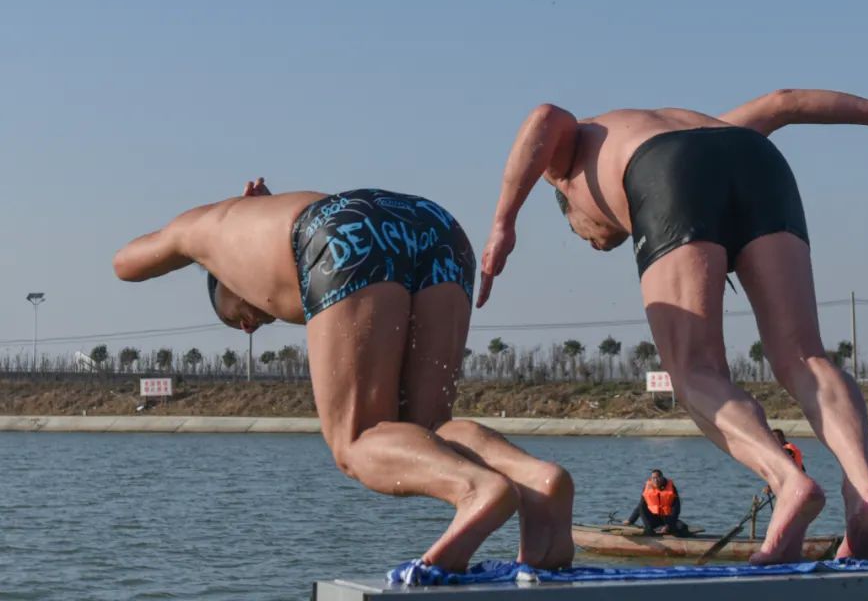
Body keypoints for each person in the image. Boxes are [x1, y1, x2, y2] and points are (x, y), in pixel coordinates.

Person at [478, 89, 868, 563]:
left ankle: (787, 482)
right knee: (805, 356)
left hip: (667, 170)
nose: (602, 242)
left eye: (592, 239)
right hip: (755, 160)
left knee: (694, 371)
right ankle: (866, 487)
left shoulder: (567, 169)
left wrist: (504, 220)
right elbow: (786, 103)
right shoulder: (713, 126)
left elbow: (545, 116)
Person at [112, 179, 574, 571]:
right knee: (428, 427)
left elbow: (124, 263)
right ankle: (536, 481)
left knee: (355, 439)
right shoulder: (266, 231)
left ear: (219, 280)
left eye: (235, 318)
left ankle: (478, 490)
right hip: (437, 227)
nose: (250, 324)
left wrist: (182, 246)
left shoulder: (204, 231)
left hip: (347, 231)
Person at [624, 469, 689, 536]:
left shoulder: (671, 488)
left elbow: (676, 509)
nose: (656, 480)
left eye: (658, 478)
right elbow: (640, 507)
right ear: (651, 479)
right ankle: (649, 530)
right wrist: (630, 520)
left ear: (662, 478)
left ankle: (666, 530)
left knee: (682, 527)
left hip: (667, 519)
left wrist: (668, 525)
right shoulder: (647, 488)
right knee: (642, 505)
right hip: (653, 519)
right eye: (653, 478)